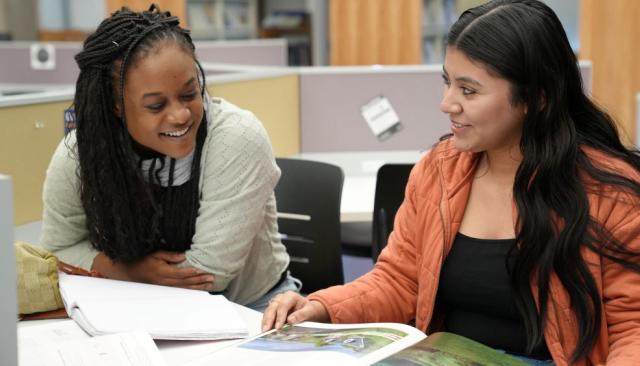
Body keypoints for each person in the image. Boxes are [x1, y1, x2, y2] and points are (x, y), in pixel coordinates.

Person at [262, 0, 640, 364]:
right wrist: (323, 306)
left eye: (468, 90)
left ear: (536, 98)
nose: (447, 103)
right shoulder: (439, 171)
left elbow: (632, 329)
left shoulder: (609, 194)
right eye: (447, 83)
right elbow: (400, 280)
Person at [40, 5, 297, 310]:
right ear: (116, 107)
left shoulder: (236, 138)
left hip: (251, 308)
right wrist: (131, 271)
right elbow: (57, 250)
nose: (180, 115)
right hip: (132, 303)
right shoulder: (82, 155)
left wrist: (118, 272)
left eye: (190, 94)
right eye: (155, 105)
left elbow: (208, 275)